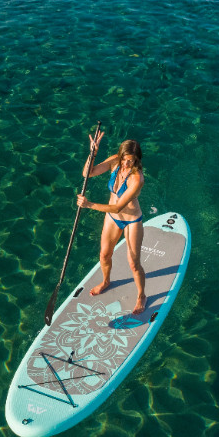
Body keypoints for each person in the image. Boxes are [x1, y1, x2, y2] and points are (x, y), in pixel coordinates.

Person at [77, 131, 147, 315]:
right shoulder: (115, 161)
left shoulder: (137, 179)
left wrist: (89, 204)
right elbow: (88, 173)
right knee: (104, 254)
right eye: (125, 159)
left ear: (137, 160)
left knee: (134, 263)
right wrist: (93, 153)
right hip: (112, 218)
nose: (126, 163)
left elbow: (118, 207)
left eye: (131, 160)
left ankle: (141, 295)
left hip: (131, 221)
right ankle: (106, 281)